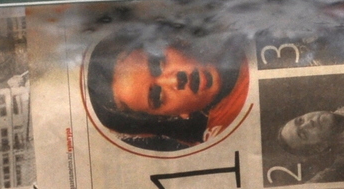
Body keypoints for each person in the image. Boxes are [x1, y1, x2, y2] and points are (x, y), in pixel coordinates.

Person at [83, 23, 250, 152]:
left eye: (158, 64)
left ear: (172, 42)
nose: (175, 80)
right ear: (171, 116)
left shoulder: (236, 28)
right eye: (157, 96)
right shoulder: (226, 136)